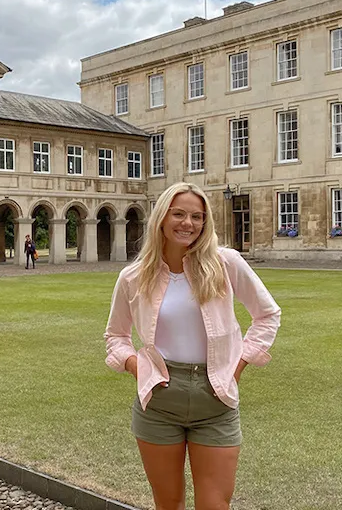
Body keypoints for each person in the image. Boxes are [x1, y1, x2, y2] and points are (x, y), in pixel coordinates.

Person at [104, 182, 281, 510]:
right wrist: (136, 366)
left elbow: (267, 315)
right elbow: (115, 336)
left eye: (197, 217)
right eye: (180, 214)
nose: (189, 223)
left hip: (216, 400)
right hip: (158, 401)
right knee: (168, 504)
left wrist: (237, 367)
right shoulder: (133, 276)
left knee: (215, 505)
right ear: (162, 218)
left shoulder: (225, 264)